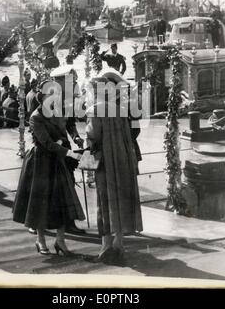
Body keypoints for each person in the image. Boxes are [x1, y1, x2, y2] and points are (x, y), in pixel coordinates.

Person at [12, 81, 85, 256]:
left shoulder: (58, 110)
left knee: (62, 201)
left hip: (58, 160)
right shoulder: (36, 117)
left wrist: (74, 138)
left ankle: (60, 241)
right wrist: (69, 152)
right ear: (42, 97)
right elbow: (46, 143)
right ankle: (41, 240)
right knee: (40, 204)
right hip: (40, 163)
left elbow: (68, 125)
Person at [85, 72, 143, 263]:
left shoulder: (95, 109)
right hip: (123, 159)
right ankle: (119, 245)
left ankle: (105, 247)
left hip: (107, 161)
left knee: (105, 201)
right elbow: (134, 131)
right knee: (120, 200)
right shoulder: (121, 108)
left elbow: (93, 135)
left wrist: (88, 144)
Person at [50, 65, 86, 235]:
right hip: (50, 149)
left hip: (64, 146)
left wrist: (76, 136)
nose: (74, 84)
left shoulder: (68, 100)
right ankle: (38, 223)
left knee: (69, 182)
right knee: (48, 187)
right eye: (71, 81)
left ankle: (69, 222)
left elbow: (70, 123)